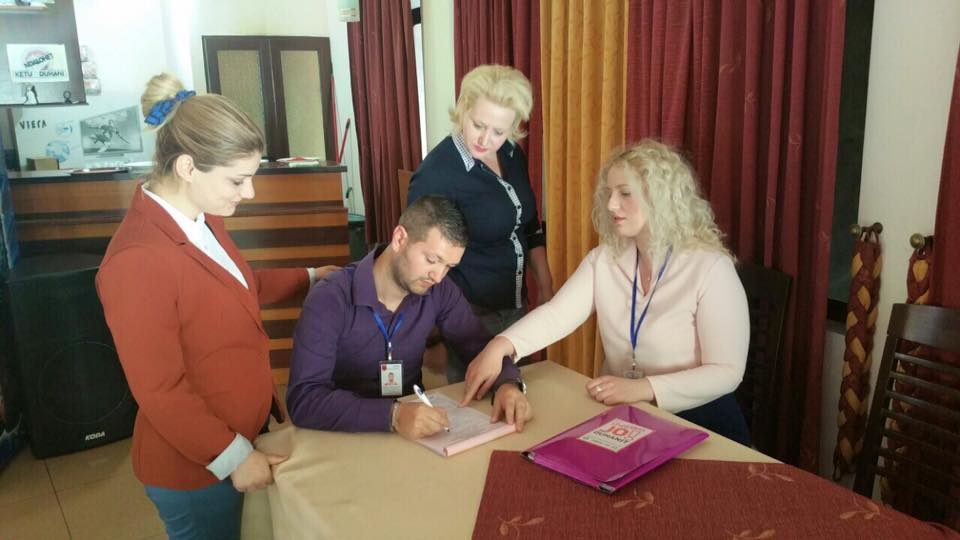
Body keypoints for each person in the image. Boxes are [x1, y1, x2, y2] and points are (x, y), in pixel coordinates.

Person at [96, 73, 337, 539]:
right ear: (188, 167)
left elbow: (235, 287)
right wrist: (233, 457)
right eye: (238, 180)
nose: (248, 193)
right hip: (197, 465)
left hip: (241, 432)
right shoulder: (137, 261)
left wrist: (309, 277)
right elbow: (161, 389)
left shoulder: (200, 218)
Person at [462, 140, 752, 446]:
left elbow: (727, 372)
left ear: (661, 198)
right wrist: (501, 344)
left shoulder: (711, 268)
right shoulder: (605, 259)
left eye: (625, 193)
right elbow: (557, 315)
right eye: (610, 192)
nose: (612, 204)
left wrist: (645, 388)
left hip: (702, 422)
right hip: (633, 417)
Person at [286, 195, 533, 439]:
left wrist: (507, 384)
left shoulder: (439, 290)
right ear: (400, 238)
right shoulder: (329, 298)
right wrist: (392, 415)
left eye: (448, 267)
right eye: (432, 260)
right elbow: (304, 398)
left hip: (415, 431)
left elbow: (477, 345)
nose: (438, 277)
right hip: (343, 434)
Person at [406, 64, 553, 383]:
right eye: (478, 125)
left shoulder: (511, 154)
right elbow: (419, 258)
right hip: (468, 316)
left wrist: (545, 284)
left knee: (518, 396)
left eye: (499, 131)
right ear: (463, 109)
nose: (486, 139)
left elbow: (527, 223)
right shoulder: (437, 175)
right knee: (482, 403)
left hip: (515, 308)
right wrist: (433, 336)